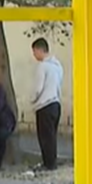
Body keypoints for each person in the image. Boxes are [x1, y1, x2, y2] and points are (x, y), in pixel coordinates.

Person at [30, 38, 64, 171]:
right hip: (56, 104)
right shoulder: (58, 66)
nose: (34, 55)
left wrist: (32, 99)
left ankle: (48, 164)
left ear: (39, 50)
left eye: (34, 52)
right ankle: (52, 162)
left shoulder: (42, 66)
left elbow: (38, 88)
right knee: (52, 136)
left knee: (44, 137)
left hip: (44, 105)